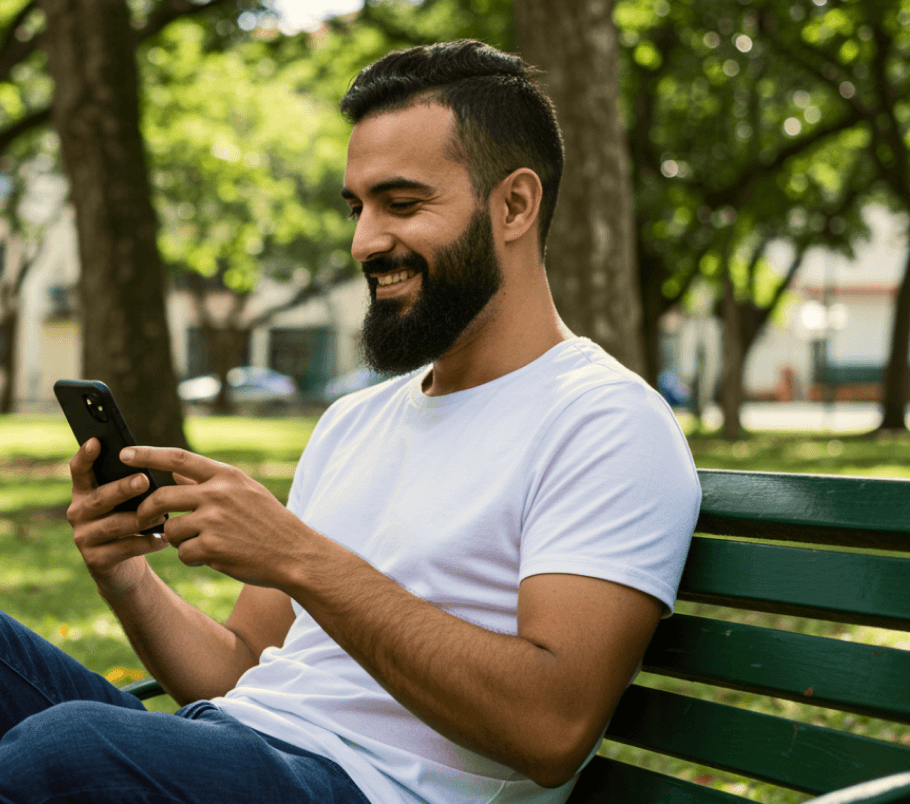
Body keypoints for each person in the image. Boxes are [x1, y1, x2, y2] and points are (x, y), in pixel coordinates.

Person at [0, 40, 700, 804]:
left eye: (402, 204)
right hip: (239, 745)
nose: (365, 241)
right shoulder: (354, 422)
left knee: (69, 747)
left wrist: (299, 555)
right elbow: (239, 671)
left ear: (514, 205)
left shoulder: (605, 421)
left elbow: (552, 729)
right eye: (358, 207)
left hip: (373, 789)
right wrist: (127, 578)